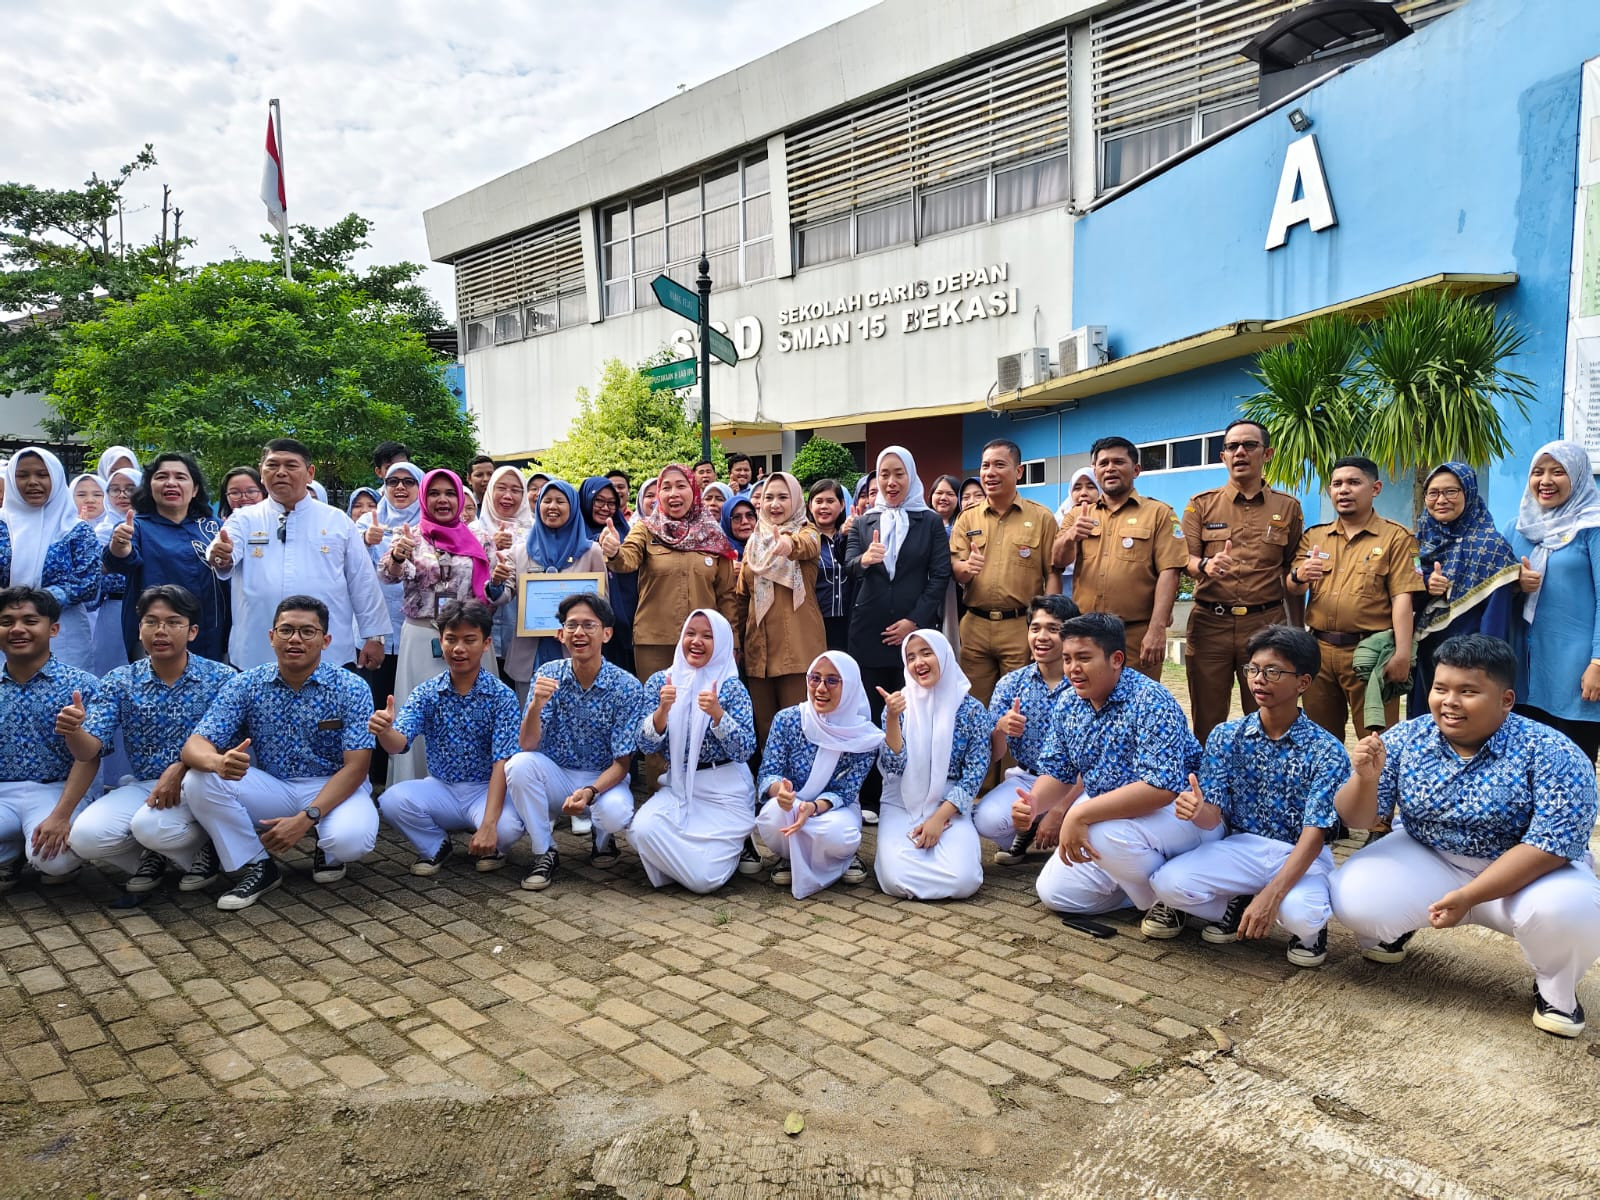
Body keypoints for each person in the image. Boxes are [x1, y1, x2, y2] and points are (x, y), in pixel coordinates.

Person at [1330, 634, 1600, 1037]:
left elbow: (1549, 847)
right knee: (1353, 893)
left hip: (1528, 872)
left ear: (1506, 700)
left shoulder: (1553, 752)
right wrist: (1364, 780)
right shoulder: (1408, 738)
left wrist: (1469, 897)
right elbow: (1358, 817)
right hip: (1430, 854)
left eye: (1468, 692)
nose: (1449, 702)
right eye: (1441, 688)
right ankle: (1397, 927)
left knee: (1571, 911)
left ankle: (1556, 988)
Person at [1147, 626, 1349, 966]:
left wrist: (1271, 895)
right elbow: (1212, 817)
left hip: (1301, 853)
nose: (1258, 679)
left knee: (1302, 916)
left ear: (1303, 683)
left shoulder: (1326, 750)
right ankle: (1237, 904)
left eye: (1273, 672)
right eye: (1253, 669)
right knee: (1168, 884)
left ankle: (1307, 929)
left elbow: (1315, 834)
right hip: (1242, 846)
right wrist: (1197, 810)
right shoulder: (1227, 736)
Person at [180, 595, 379, 910]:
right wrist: (218, 761)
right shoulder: (247, 684)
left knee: (349, 841)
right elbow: (194, 744)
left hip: (334, 784)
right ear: (272, 637)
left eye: (308, 631)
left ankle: (327, 848)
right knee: (198, 780)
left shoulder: (351, 687)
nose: (295, 639)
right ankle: (258, 864)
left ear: (326, 641)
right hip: (275, 786)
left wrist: (306, 819)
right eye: (286, 630)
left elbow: (356, 767)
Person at [1022, 613, 1209, 933]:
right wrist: (1033, 803)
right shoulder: (1068, 702)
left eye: (1084, 658)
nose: (1073, 668)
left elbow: (1161, 787)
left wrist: (1078, 815)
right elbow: (1058, 771)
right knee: (1057, 893)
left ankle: (1172, 899)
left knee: (1096, 829)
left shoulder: (1151, 699)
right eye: (1067, 659)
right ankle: (1140, 885)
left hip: (1181, 814)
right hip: (1118, 819)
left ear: (1116, 660)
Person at [60, 585, 234, 894]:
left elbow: (230, 744)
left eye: (173, 622)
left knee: (150, 826)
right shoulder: (120, 681)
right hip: (147, 785)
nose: (161, 631)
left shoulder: (222, 678)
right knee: (85, 837)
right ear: (139, 630)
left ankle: (205, 849)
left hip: (203, 784)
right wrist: (74, 731)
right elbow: (89, 750)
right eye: (151, 622)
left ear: (192, 631)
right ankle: (155, 854)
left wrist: (182, 767)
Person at [206, 438, 389, 672]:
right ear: (261, 472)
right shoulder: (243, 518)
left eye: (291, 465)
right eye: (272, 465)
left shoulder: (337, 521)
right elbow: (223, 551)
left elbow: (362, 580)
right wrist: (220, 556)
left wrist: (374, 636)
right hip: (257, 649)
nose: (281, 472)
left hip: (329, 650)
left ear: (310, 473)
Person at [369, 599, 524, 876]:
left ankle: (493, 845)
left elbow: (503, 761)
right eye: (451, 639)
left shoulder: (502, 696)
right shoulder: (426, 692)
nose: (458, 648)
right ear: (441, 641)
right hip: (441, 787)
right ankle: (435, 845)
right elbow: (398, 744)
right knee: (392, 801)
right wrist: (385, 731)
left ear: (486, 644)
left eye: (469, 640)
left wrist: (489, 824)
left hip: (485, 789)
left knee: (508, 828)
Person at [505, 593, 646, 889]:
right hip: (558, 774)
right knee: (519, 765)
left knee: (616, 813)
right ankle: (544, 850)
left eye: (589, 625)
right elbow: (527, 744)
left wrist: (590, 791)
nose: (579, 633)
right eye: (571, 625)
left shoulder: (627, 686)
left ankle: (603, 839)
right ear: (561, 634)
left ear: (607, 634)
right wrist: (535, 706)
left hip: (604, 778)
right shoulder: (547, 674)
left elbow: (622, 763)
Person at [380, 469, 509, 783]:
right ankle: (418, 787)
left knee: (476, 713)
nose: (443, 500)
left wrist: (497, 585)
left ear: (461, 498)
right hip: (423, 634)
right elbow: (388, 574)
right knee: (420, 714)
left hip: (470, 637)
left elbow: (500, 592)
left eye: (450, 493)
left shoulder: (480, 539)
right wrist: (398, 556)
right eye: (435, 493)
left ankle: (479, 788)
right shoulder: (410, 536)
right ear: (424, 498)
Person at [1180, 419, 1305, 744]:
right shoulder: (1200, 504)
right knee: (1207, 719)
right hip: (1211, 625)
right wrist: (1205, 565)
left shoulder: (1288, 508)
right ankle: (1209, 775)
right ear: (1222, 456)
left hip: (1266, 625)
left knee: (1269, 714)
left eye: (1249, 445)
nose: (1240, 452)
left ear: (1267, 454)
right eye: (1232, 446)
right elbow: (1184, 560)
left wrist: (1298, 630)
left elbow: (1291, 570)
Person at [845, 446, 951, 823]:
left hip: (913, 636)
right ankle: (871, 795)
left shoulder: (930, 521)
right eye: (884, 474)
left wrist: (914, 621)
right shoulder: (864, 521)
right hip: (868, 633)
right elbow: (849, 564)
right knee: (871, 713)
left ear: (911, 476)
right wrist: (865, 560)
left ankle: (915, 790)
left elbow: (940, 575)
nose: (890, 482)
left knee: (915, 711)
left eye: (898, 474)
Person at [1292, 456, 1424, 743]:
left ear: (1375, 488)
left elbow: (1402, 598)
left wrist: (1402, 654)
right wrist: (1299, 575)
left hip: (1370, 654)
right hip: (1319, 652)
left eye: (1354, 482)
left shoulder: (1397, 538)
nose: (1344, 490)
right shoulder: (1316, 537)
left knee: (1377, 740)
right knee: (1321, 742)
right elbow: (1293, 588)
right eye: (1337, 484)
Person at [631, 610, 758, 892]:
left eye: (707, 636)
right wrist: (662, 712)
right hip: (677, 784)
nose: (696, 641)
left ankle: (732, 845)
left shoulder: (731, 687)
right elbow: (645, 745)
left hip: (724, 789)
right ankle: (709, 854)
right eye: (690, 633)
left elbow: (745, 750)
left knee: (704, 881)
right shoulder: (661, 682)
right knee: (641, 831)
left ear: (721, 643)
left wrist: (718, 715)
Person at [874, 629, 992, 900]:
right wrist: (892, 719)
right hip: (902, 797)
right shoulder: (898, 704)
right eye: (911, 657)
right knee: (895, 880)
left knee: (964, 880)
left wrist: (939, 818)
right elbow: (893, 766)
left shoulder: (972, 710)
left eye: (926, 653)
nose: (919, 663)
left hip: (951, 800)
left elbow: (974, 774)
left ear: (944, 656)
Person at [1057, 436, 1185, 681]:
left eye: (1118, 462)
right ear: (1095, 470)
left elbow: (1170, 572)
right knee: (1086, 699)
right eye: (1103, 463)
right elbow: (1058, 561)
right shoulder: (1077, 515)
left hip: (1135, 634)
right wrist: (1071, 536)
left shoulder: (1159, 513)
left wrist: (1157, 629)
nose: (1110, 468)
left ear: (1136, 470)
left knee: (1138, 701)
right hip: (1086, 633)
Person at [598, 464, 739, 682]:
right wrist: (614, 551)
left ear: (694, 490)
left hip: (703, 642)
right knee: (658, 700)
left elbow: (727, 596)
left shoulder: (712, 535)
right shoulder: (646, 529)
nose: (673, 493)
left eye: (681, 486)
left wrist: (733, 643)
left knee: (701, 700)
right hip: (654, 642)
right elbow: (627, 559)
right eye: (666, 487)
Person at [0, 587, 101, 891]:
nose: (17, 629)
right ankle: (10, 851)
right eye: (7, 621)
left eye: (30, 621)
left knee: (53, 861)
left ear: (53, 629)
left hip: (57, 791)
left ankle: (23, 847)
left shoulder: (81, 686)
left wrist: (61, 816)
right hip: (3, 791)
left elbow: (90, 758)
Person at [755, 651, 880, 897]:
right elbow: (768, 772)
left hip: (833, 809)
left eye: (832, 680)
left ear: (850, 686)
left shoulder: (863, 736)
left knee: (841, 835)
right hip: (791, 804)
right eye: (815, 678)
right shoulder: (788, 720)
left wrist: (812, 808)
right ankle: (789, 857)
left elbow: (845, 791)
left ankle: (843, 858)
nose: (821, 688)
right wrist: (781, 792)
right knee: (771, 816)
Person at [1505, 441, 1600, 760]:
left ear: (1578, 475)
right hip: (1523, 670)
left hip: (1575, 671)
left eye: (1558, 472)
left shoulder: (1592, 527)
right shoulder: (1517, 528)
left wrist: (1598, 663)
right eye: (1538, 472)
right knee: (1525, 767)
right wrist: (1514, 584)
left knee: (1573, 763)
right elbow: (1489, 588)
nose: (1545, 481)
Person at [950, 439, 1061, 704]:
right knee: (974, 704)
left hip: (1020, 626)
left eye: (999, 465)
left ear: (1018, 471)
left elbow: (1053, 573)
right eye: (985, 466)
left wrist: (1047, 626)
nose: (990, 473)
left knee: (1018, 705)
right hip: (975, 626)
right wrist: (966, 568)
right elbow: (956, 567)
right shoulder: (967, 517)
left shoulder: (1041, 517)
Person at [974, 595, 1079, 864]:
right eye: (1035, 628)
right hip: (1028, 779)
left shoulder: (1084, 684)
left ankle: (1059, 829)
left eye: (1053, 629)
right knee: (985, 820)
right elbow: (994, 755)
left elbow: (1097, 759)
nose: (1042, 637)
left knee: (1091, 826)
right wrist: (1000, 728)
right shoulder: (1011, 684)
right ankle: (1030, 826)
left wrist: (1058, 810)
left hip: (1079, 782)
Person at [1410, 461, 1518, 716]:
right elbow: (1405, 594)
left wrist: (1486, 666)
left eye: (1451, 491)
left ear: (1468, 493)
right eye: (1433, 493)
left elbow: (1497, 616)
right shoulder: (1417, 542)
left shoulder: (1492, 546)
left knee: (1466, 722)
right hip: (1425, 653)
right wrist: (1426, 585)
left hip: (1472, 659)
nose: (1441, 500)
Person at [104, 452, 228, 664]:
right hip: (156, 634)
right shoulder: (137, 526)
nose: (171, 483)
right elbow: (120, 560)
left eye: (180, 477)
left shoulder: (213, 527)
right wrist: (119, 546)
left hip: (211, 631)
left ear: (195, 489)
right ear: (149, 487)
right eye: (162, 477)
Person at [736, 471, 825, 745]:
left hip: (797, 650)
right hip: (758, 653)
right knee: (765, 729)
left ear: (796, 500)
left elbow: (807, 546)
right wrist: (736, 643)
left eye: (783, 497)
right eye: (769, 497)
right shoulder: (753, 543)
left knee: (798, 729)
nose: (774, 504)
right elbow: (741, 598)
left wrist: (787, 543)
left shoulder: (808, 532)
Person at [354, 462, 424, 789]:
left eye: (409, 481)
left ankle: (411, 775)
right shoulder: (367, 523)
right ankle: (377, 778)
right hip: (377, 630)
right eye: (393, 481)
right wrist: (366, 541)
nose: (400, 487)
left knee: (411, 702)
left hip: (417, 631)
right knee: (378, 703)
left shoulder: (429, 525)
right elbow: (352, 572)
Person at [504, 479, 606, 704]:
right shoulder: (520, 552)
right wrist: (495, 583)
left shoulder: (591, 552)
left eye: (560, 501)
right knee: (531, 716)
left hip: (576, 650)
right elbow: (503, 595)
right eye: (547, 500)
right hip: (531, 654)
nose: (552, 506)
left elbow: (603, 604)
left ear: (573, 507)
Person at [2, 448, 102, 673]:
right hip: (8, 625)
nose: (32, 482)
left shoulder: (76, 530)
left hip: (63, 629)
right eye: (22, 475)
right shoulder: (1, 525)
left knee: (66, 690)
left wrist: (38, 601)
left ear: (56, 478)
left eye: (42, 474)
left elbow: (88, 582)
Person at [472, 466, 533, 668]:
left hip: (523, 627)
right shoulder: (472, 531)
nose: (508, 496)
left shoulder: (535, 533)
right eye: (501, 488)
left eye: (516, 490)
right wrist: (490, 545)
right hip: (478, 626)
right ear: (490, 490)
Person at [579, 476, 636, 675]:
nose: (605, 508)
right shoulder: (574, 535)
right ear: (586, 500)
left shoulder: (627, 534)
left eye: (612, 503)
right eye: (599, 501)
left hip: (624, 624)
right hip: (586, 625)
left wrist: (616, 551)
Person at [91, 466, 142, 679]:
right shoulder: (99, 532)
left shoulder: (150, 527)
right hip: (112, 609)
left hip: (145, 607)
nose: (122, 495)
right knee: (111, 671)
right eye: (114, 489)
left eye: (130, 488)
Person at [807, 479, 853, 653]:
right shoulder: (805, 541)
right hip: (815, 623)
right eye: (818, 501)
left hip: (849, 622)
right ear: (810, 506)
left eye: (830, 501)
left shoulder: (852, 538)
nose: (824, 506)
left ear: (842, 505)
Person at [1053, 467, 1102, 600]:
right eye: (1077, 488)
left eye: (1090, 487)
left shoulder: (1111, 520)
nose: (1083, 493)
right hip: (1065, 586)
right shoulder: (1059, 520)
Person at [721, 493, 758, 557]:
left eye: (750, 515)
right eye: (737, 517)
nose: (745, 521)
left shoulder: (768, 549)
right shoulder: (720, 556)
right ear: (727, 523)